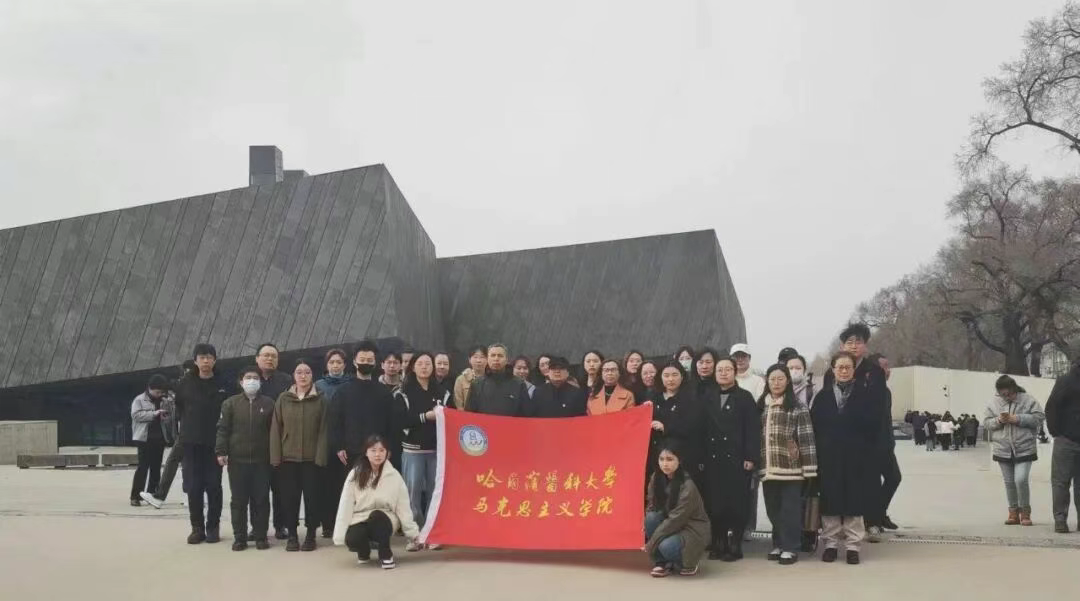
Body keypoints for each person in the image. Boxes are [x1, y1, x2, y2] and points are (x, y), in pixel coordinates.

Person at [810, 352, 880, 565]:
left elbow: (874, 427)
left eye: (847, 367)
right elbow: (815, 428)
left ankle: (853, 546)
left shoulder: (865, 395)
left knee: (854, 501)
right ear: (833, 369)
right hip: (829, 457)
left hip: (856, 457)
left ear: (853, 370)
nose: (843, 371)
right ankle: (830, 544)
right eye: (839, 367)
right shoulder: (822, 397)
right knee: (830, 501)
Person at [758, 364, 817, 565]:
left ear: (787, 381)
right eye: (772, 379)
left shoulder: (798, 407)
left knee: (790, 510)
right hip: (768, 467)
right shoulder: (761, 406)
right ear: (767, 382)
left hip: (791, 467)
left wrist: (809, 468)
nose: (776, 383)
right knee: (773, 509)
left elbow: (807, 439)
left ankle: (790, 547)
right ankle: (778, 544)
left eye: (780, 379)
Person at [702, 356, 760, 561]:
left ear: (735, 372)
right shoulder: (707, 396)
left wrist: (751, 456)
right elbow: (701, 428)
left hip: (737, 458)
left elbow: (752, 429)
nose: (723, 373)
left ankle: (734, 543)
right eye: (720, 370)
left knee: (736, 502)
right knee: (715, 502)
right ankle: (718, 542)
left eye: (728, 369)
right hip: (713, 458)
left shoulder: (745, 397)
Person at [333, 435, 420, 570]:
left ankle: (386, 554)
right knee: (353, 538)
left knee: (377, 517)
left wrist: (412, 533)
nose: (377, 454)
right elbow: (346, 504)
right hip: (360, 517)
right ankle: (363, 551)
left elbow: (403, 507)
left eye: (381, 450)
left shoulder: (394, 476)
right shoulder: (355, 474)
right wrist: (340, 534)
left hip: (386, 517)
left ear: (387, 453)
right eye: (373, 450)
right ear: (366, 453)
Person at [271, 359, 329, 552]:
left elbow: (324, 430)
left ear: (313, 376)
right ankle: (293, 536)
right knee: (290, 499)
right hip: (288, 459)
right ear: (293, 376)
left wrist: (321, 457)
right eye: (299, 372)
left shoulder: (320, 399)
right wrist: (276, 457)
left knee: (313, 498)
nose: (303, 376)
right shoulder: (283, 398)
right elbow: (276, 429)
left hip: (312, 460)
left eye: (307, 372)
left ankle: (311, 535)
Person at [393, 352, 450, 549]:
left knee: (436, 492)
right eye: (420, 363)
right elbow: (400, 421)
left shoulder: (442, 392)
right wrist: (425, 416)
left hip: (437, 450)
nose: (424, 367)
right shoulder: (403, 393)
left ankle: (433, 533)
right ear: (412, 367)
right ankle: (414, 535)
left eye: (428, 363)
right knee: (413, 493)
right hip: (413, 451)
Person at [175, 343, 231, 545]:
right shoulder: (184, 384)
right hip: (191, 443)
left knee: (214, 486)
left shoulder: (224, 383)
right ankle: (196, 528)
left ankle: (213, 527)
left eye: (209, 357)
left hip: (215, 443)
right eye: (202, 357)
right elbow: (179, 409)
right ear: (195, 361)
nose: (206, 361)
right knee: (194, 487)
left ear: (214, 360)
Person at [215, 366, 275, 551]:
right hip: (237, 461)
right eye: (248, 377)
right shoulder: (230, 403)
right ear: (241, 382)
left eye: (255, 378)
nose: (252, 381)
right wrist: (221, 451)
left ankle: (260, 536)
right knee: (239, 501)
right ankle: (239, 537)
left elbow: (274, 432)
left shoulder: (269, 403)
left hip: (262, 461)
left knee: (261, 500)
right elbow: (223, 429)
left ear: (260, 382)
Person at [328, 340, 395, 494]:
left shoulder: (384, 392)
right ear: (354, 361)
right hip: (350, 453)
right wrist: (339, 446)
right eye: (362, 360)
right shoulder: (343, 391)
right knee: (352, 493)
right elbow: (334, 422)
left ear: (375, 362)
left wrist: (389, 447)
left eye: (370, 360)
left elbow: (392, 423)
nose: (366, 363)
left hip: (377, 453)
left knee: (377, 493)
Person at [983, 375, 1045, 528]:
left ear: (1014, 389)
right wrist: (999, 420)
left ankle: (1025, 512)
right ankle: (1013, 512)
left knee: (1020, 479)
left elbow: (1039, 418)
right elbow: (986, 423)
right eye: (1003, 395)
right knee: (1009, 482)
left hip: (1024, 447)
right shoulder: (994, 402)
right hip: (1002, 448)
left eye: (1009, 394)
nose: (1007, 397)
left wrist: (1018, 419)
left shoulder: (1028, 399)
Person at [645, 442, 710, 577]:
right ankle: (661, 563)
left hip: (691, 529)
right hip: (671, 524)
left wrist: (651, 544)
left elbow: (676, 520)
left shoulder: (688, 486)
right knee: (651, 518)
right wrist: (646, 526)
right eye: (661, 459)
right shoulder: (655, 478)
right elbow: (651, 505)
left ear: (679, 461)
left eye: (670, 459)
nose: (665, 464)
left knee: (666, 546)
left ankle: (687, 563)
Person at [649, 361, 705, 493]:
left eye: (675, 375)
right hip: (658, 455)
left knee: (681, 492)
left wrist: (666, 428)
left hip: (683, 454)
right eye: (666, 375)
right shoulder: (653, 397)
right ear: (660, 377)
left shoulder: (691, 398)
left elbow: (694, 426)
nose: (670, 379)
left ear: (682, 376)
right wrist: (644, 410)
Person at [255, 342, 292, 539]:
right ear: (257, 359)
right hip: (256, 442)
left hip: (280, 442)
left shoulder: (286, 381)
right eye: (266, 355)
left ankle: (280, 525)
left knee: (280, 489)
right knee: (258, 490)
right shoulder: (250, 379)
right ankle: (257, 527)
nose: (270, 359)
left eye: (274, 356)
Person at [139, 362, 187, 509]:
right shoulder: (188, 388)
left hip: (190, 431)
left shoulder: (192, 388)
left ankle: (160, 496)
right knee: (186, 463)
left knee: (175, 461)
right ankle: (190, 494)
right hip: (186, 431)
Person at [315, 348, 349, 539]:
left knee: (344, 485)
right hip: (325, 441)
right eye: (332, 362)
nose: (335, 366)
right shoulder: (318, 386)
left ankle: (344, 523)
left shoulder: (351, 384)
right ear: (326, 365)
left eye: (339, 362)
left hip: (346, 441)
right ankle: (327, 524)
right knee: (325, 485)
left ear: (345, 364)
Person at [731, 342, 764, 539]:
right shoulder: (726, 378)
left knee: (750, 488)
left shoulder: (758, 382)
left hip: (749, 439)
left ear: (749, 359)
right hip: (730, 441)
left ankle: (748, 527)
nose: (740, 360)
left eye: (743, 356)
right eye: (736, 357)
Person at [865, 353, 901, 534]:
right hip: (871, 447)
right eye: (884, 366)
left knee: (894, 478)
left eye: (888, 366)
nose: (888, 370)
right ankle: (872, 519)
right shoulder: (866, 391)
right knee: (872, 485)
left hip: (886, 446)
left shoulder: (886, 392)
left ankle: (879, 513)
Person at [1046, 361, 1080, 533]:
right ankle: (1060, 520)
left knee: (1065, 483)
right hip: (1066, 439)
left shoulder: (1065, 380)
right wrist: (1056, 432)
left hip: (1067, 438)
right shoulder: (1066, 381)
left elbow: (1051, 407)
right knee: (1061, 482)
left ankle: (1065, 521)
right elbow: (1052, 407)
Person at [129, 374, 173, 506]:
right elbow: (136, 415)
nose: (159, 394)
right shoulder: (139, 400)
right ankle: (135, 496)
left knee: (156, 468)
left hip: (159, 438)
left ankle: (152, 493)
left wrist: (165, 417)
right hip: (144, 438)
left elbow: (170, 417)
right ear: (149, 388)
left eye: (161, 392)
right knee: (143, 467)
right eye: (157, 392)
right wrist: (154, 414)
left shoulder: (165, 400)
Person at [465, 344, 530, 416]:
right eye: (493, 355)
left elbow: (526, 415)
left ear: (506, 359)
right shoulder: (477, 384)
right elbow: (469, 414)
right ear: (487, 359)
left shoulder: (519, 384)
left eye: (500, 356)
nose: (496, 359)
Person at [453, 346, 487, 410]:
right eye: (475, 357)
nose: (478, 360)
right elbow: (458, 404)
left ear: (487, 359)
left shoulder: (491, 379)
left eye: (482, 357)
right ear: (469, 360)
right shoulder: (461, 380)